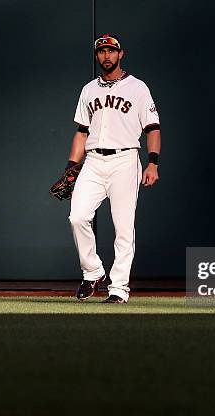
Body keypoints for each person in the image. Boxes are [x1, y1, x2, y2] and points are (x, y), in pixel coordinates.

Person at [66, 33, 161, 304]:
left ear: (121, 54)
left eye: (111, 51)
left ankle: (119, 288)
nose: (106, 56)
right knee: (77, 217)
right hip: (93, 161)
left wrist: (153, 162)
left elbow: (153, 128)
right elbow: (81, 132)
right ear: (96, 56)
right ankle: (93, 271)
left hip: (125, 160)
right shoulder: (88, 90)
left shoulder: (138, 88)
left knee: (123, 227)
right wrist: (71, 168)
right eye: (101, 52)